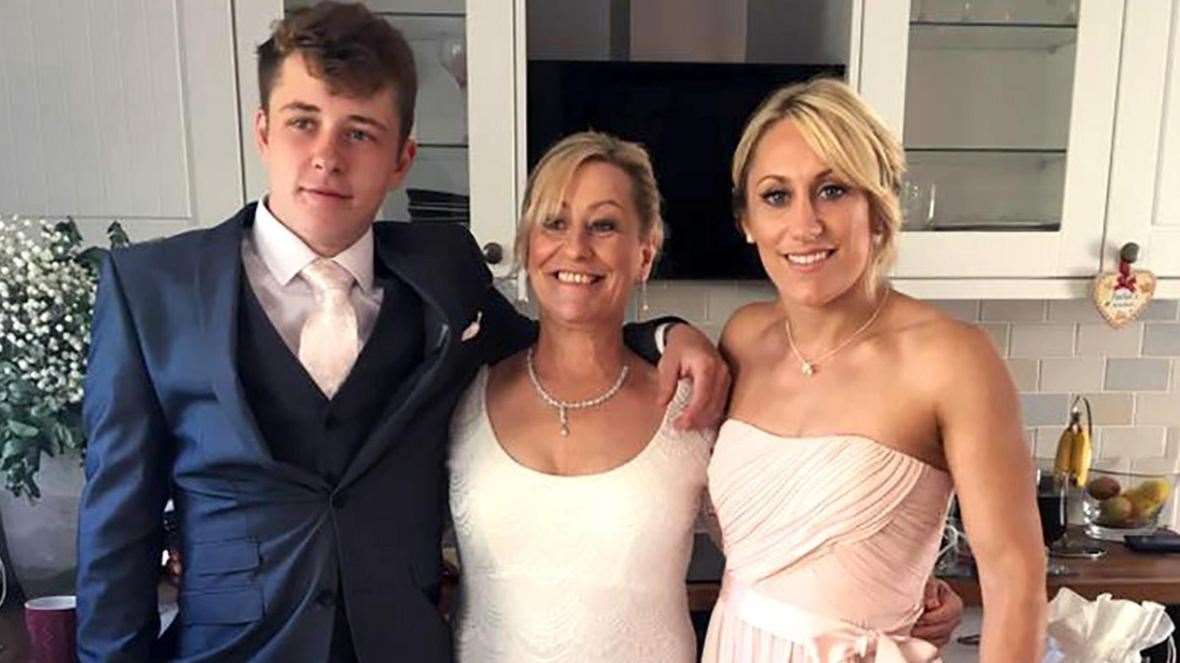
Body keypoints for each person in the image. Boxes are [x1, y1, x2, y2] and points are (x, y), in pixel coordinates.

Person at [74, 4, 729, 662]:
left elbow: (559, 340)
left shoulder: (443, 274)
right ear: (264, 130)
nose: (327, 157)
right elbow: (116, 533)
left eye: (360, 132)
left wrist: (666, 335)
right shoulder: (151, 289)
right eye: (305, 123)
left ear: (401, 158)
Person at [446, 131, 964, 663]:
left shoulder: (694, 401)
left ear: (645, 253)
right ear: (528, 243)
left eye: (604, 225)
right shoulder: (461, 389)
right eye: (554, 222)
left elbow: (787, 541)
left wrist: (903, 596)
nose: (575, 247)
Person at [702, 78, 1046, 662]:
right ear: (747, 220)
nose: (805, 225)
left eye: (832, 190)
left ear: (879, 207)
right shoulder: (744, 337)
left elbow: (1017, 584)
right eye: (776, 196)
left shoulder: (951, 359)